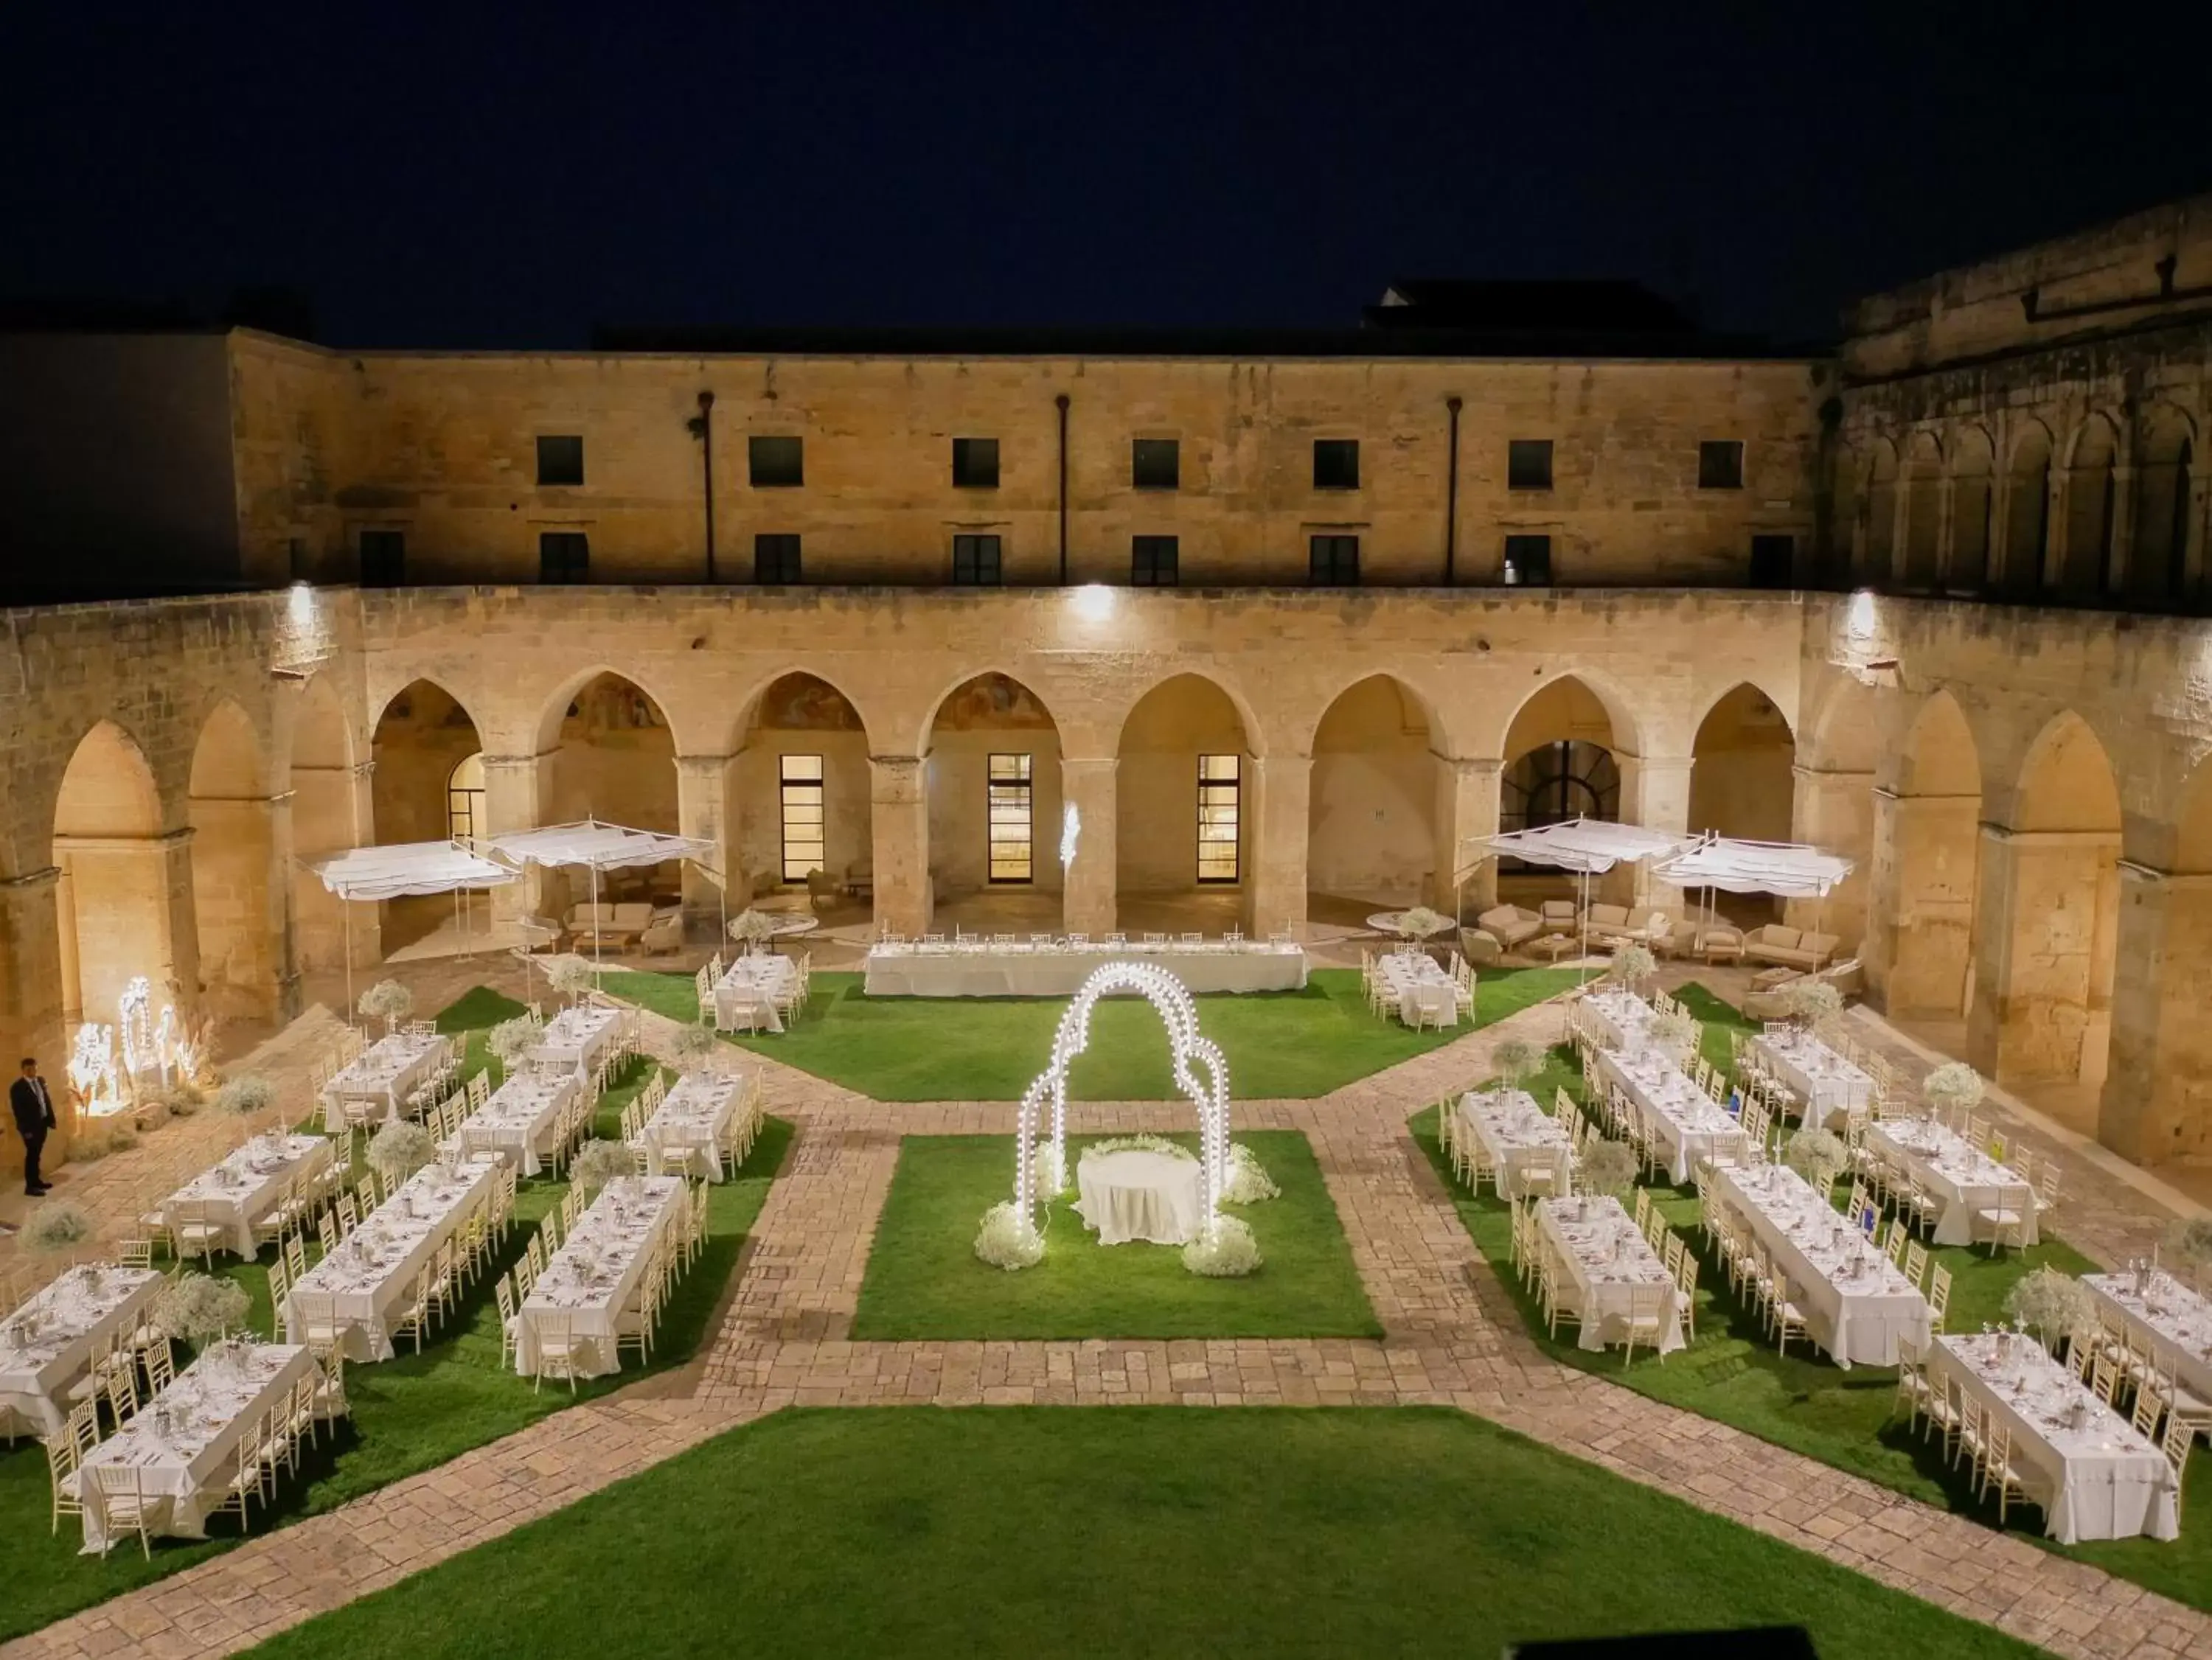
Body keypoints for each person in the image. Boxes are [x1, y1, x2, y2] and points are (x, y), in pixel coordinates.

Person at [11, 1056, 57, 1196]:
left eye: (34, 1068)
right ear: (24, 1070)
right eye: (29, 1069)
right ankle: (30, 1187)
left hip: (42, 1123)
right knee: (31, 1155)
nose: (32, 1071)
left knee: (37, 1154)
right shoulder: (18, 1088)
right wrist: (26, 1131)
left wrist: (51, 1119)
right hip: (30, 1128)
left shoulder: (41, 1081)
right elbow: (18, 1111)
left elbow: (45, 1101)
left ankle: (37, 1181)